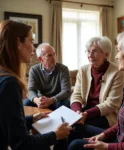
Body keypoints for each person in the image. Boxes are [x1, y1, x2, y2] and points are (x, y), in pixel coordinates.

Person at [68, 28, 124, 150]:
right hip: (121, 136)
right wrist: (104, 134)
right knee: (72, 129)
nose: (116, 57)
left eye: (119, 50)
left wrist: (107, 146)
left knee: (75, 145)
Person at [0, 20, 72, 150]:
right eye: (31, 41)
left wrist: (31, 118)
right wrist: (55, 135)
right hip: (41, 100)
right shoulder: (9, 83)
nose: (33, 48)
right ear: (18, 43)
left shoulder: (4, 77)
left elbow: (7, 126)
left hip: (55, 100)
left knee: (64, 103)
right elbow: (21, 144)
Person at [68, 36, 124, 143]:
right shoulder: (83, 70)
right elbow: (76, 94)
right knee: (66, 126)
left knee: (75, 128)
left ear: (106, 54)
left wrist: (86, 114)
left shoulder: (117, 72)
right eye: (88, 51)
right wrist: (77, 111)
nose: (89, 55)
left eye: (94, 52)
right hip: (83, 111)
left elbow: (112, 103)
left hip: (105, 115)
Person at [23, 43, 71, 110]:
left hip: (57, 100)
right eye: (49, 55)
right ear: (40, 59)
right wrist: (37, 100)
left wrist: (51, 100)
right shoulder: (34, 70)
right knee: (26, 103)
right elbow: (31, 90)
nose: (53, 58)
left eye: (54, 54)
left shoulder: (63, 69)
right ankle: (30, 120)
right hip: (41, 100)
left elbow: (66, 91)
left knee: (65, 103)